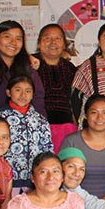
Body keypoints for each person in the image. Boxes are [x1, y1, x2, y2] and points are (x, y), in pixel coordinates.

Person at [61, 95, 105, 202]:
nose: (100, 118)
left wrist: (100, 206)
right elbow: (62, 176)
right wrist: (83, 207)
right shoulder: (71, 142)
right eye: (94, 112)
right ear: (85, 115)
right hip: (74, 204)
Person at [0, 20, 46, 121]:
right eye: (7, 36)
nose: (13, 42)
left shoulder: (27, 68)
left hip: (20, 128)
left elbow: (38, 99)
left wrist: (41, 123)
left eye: (18, 38)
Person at [0, 75, 54, 189]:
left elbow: (48, 148)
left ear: (32, 95)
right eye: (18, 90)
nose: (23, 95)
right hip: (7, 178)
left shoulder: (40, 120)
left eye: (28, 91)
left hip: (35, 180)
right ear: (8, 92)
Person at [34, 23, 78, 152]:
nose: (53, 42)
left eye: (58, 38)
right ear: (39, 43)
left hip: (66, 128)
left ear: (64, 44)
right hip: (37, 127)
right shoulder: (29, 65)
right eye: (47, 38)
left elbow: (74, 100)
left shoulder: (70, 69)